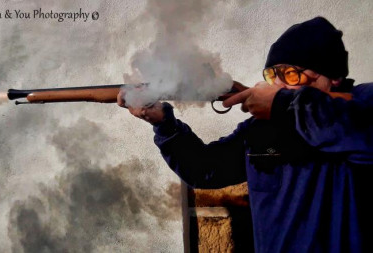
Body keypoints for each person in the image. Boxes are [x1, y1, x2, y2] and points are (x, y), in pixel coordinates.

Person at [118, 17, 373, 252]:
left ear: (335, 78)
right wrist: (164, 124)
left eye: (291, 74)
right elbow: (205, 169)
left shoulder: (362, 104)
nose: (279, 85)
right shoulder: (262, 130)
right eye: (272, 75)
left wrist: (282, 105)